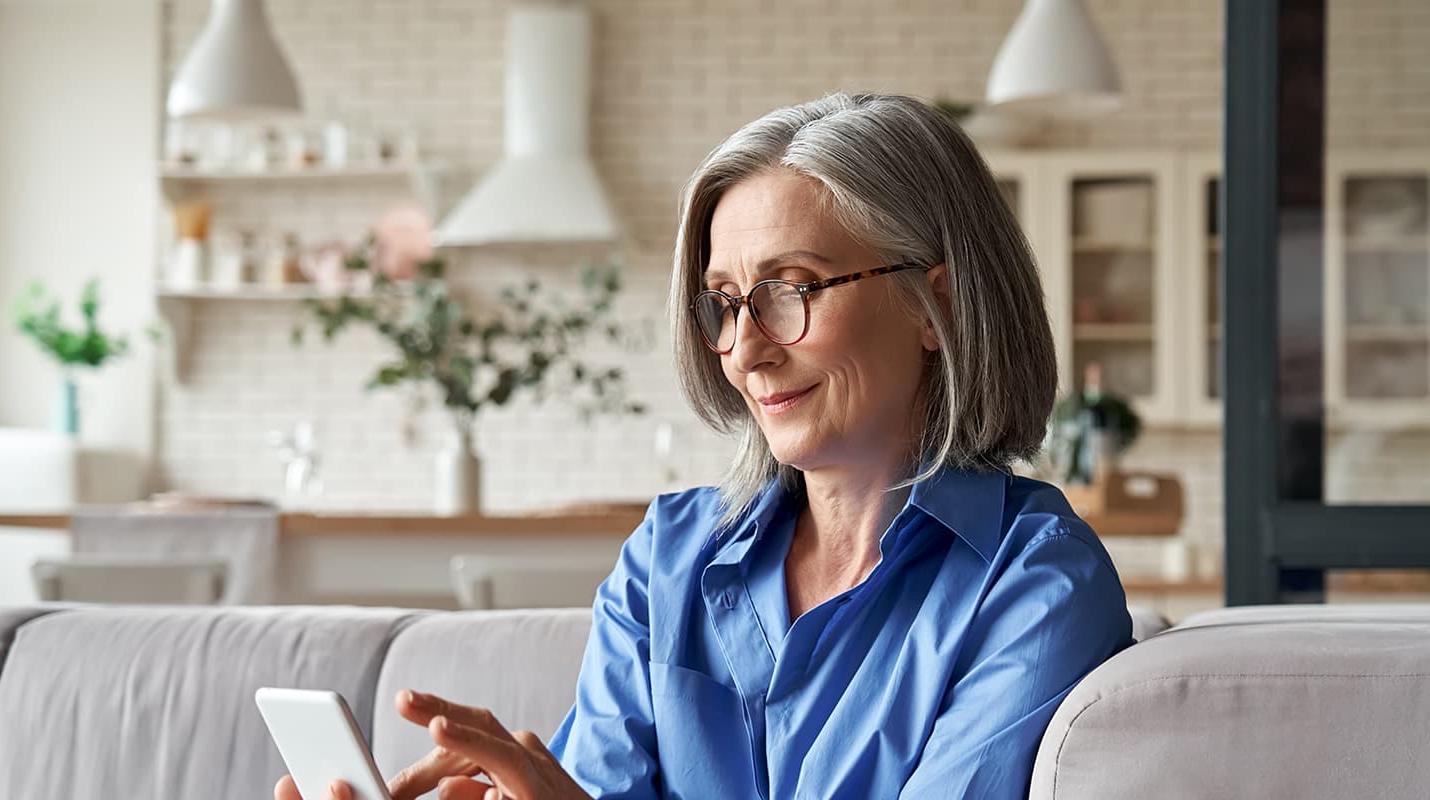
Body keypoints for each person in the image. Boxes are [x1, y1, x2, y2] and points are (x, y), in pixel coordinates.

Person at [275, 92, 1133, 800]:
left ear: (932, 306)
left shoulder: (1039, 587)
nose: (746, 348)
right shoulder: (667, 559)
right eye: (724, 302)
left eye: (792, 289)